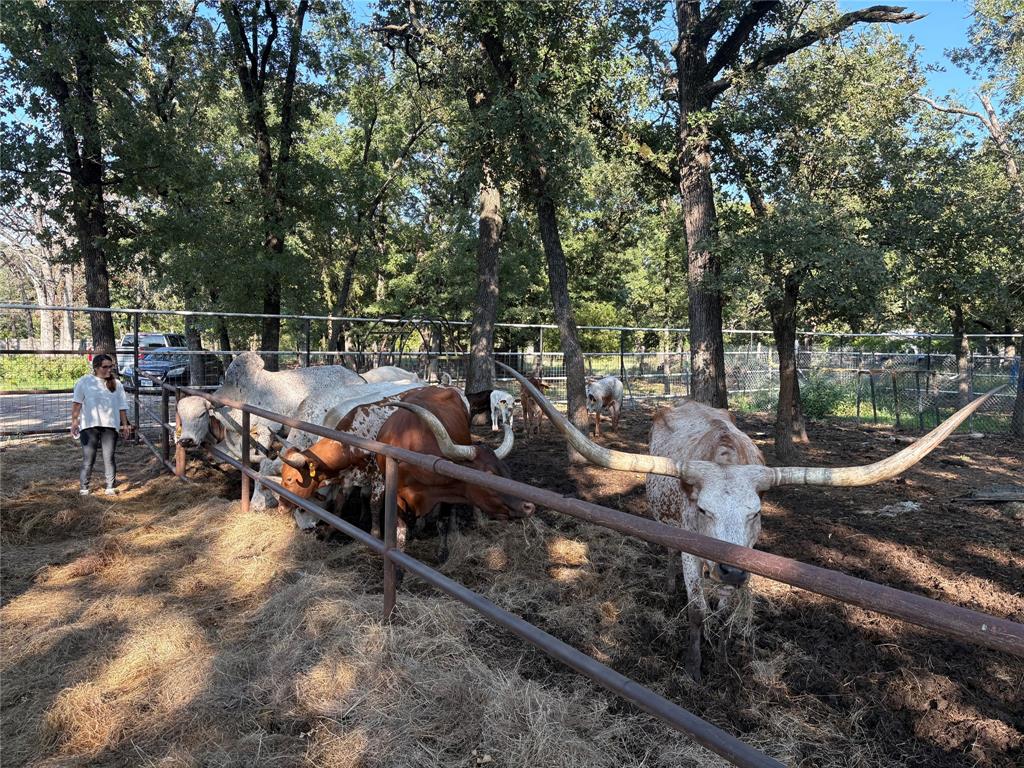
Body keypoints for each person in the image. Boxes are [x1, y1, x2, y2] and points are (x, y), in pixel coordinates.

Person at [71, 354, 131, 495]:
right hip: (89, 426)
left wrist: (125, 425)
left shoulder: (117, 384)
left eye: (111, 366)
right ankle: (84, 488)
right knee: (88, 458)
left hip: (110, 426)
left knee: (109, 457)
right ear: (96, 367)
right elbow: (77, 403)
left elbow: (122, 407)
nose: (109, 369)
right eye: (105, 367)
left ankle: (110, 486)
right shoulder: (84, 381)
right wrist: (74, 422)